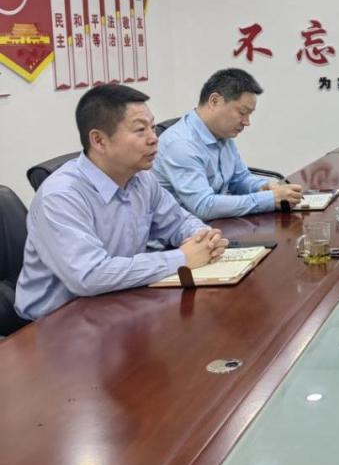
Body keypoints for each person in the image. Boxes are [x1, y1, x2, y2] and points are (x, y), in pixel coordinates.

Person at [15, 85, 228, 321]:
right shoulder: (60, 196)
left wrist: (204, 238)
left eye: (152, 127)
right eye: (140, 130)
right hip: (54, 323)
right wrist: (182, 258)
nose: (154, 138)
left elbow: (178, 222)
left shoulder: (142, 179)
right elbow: (90, 276)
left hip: (117, 303)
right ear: (99, 140)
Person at [154, 68, 302, 220]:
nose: (247, 122)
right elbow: (204, 206)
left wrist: (264, 187)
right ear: (214, 101)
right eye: (242, 113)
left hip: (217, 225)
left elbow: (239, 179)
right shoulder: (181, 144)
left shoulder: (222, 134)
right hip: (185, 231)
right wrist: (269, 199)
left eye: (249, 114)